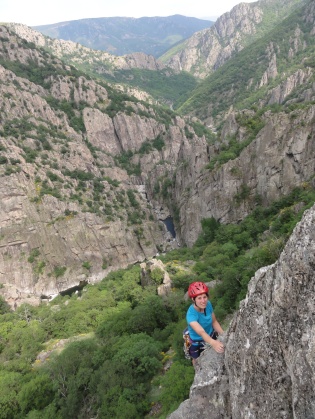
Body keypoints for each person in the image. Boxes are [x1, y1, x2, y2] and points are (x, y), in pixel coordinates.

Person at [186, 281, 224, 363]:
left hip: (211, 334)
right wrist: (213, 343)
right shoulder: (191, 315)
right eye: (199, 298)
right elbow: (201, 332)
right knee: (196, 360)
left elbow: (214, 322)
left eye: (204, 297)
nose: (203, 301)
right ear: (193, 299)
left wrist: (223, 334)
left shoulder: (208, 304)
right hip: (196, 342)